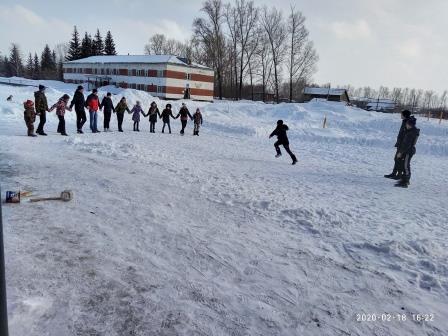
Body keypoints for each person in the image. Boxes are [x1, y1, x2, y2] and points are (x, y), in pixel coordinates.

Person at [384, 110, 412, 180]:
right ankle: (394, 173)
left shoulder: (408, 122)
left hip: (403, 145)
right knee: (396, 159)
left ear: (404, 115)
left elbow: (406, 135)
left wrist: (402, 144)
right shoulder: (404, 121)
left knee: (399, 159)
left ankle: (399, 174)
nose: (400, 115)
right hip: (400, 143)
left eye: (401, 114)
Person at [394, 116, 420, 188]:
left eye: (407, 124)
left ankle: (405, 181)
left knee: (406, 165)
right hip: (407, 150)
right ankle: (404, 179)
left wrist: (400, 152)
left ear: (410, 125)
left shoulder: (411, 132)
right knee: (403, 164)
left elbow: (406, 144)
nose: (406, 125)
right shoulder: (410, 130)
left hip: (408, 151)